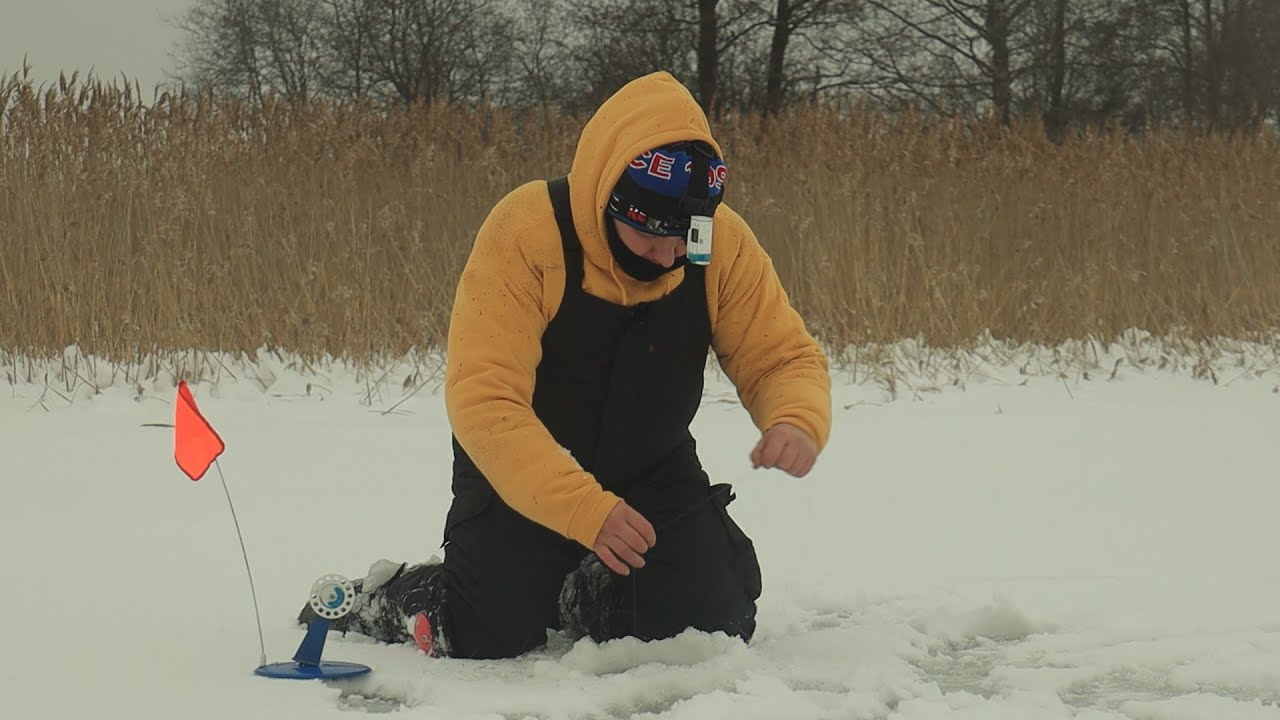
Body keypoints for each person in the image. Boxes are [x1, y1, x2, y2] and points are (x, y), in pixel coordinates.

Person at [301, 71, 831, 659]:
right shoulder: (527, 233)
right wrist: (582, 509)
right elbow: (485, 402)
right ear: (610, 199)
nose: (669, 255)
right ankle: (392, 596)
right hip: (521, 472)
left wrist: (794, 417)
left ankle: (584, 594)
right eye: (651, 236)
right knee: (489, 634)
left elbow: (780, 353)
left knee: (709, 624)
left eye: (684, 238)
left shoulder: (721, 244)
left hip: (651, 468)